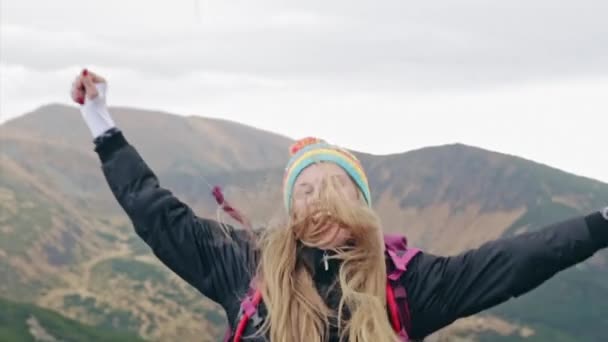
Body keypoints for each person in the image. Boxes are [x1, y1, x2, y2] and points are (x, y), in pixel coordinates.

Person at [70, 70, 608, 342]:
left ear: (362, 205)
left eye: (336, 187)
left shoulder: (407, 285)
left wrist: (601, 224)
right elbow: (157, 214)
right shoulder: (246, 265)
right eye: (305, 190)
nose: (320, 199)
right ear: (291, 209)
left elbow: (513, 260)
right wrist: (101, 122)